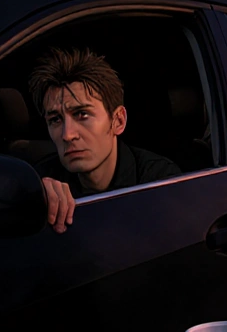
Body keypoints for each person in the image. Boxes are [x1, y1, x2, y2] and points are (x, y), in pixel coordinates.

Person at [28, 47, 182, 233]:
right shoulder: (42, 179)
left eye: (82, 114)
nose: (67, 135)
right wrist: (34, 197)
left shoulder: (158, 180)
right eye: (56, 120)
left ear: (118, 121)